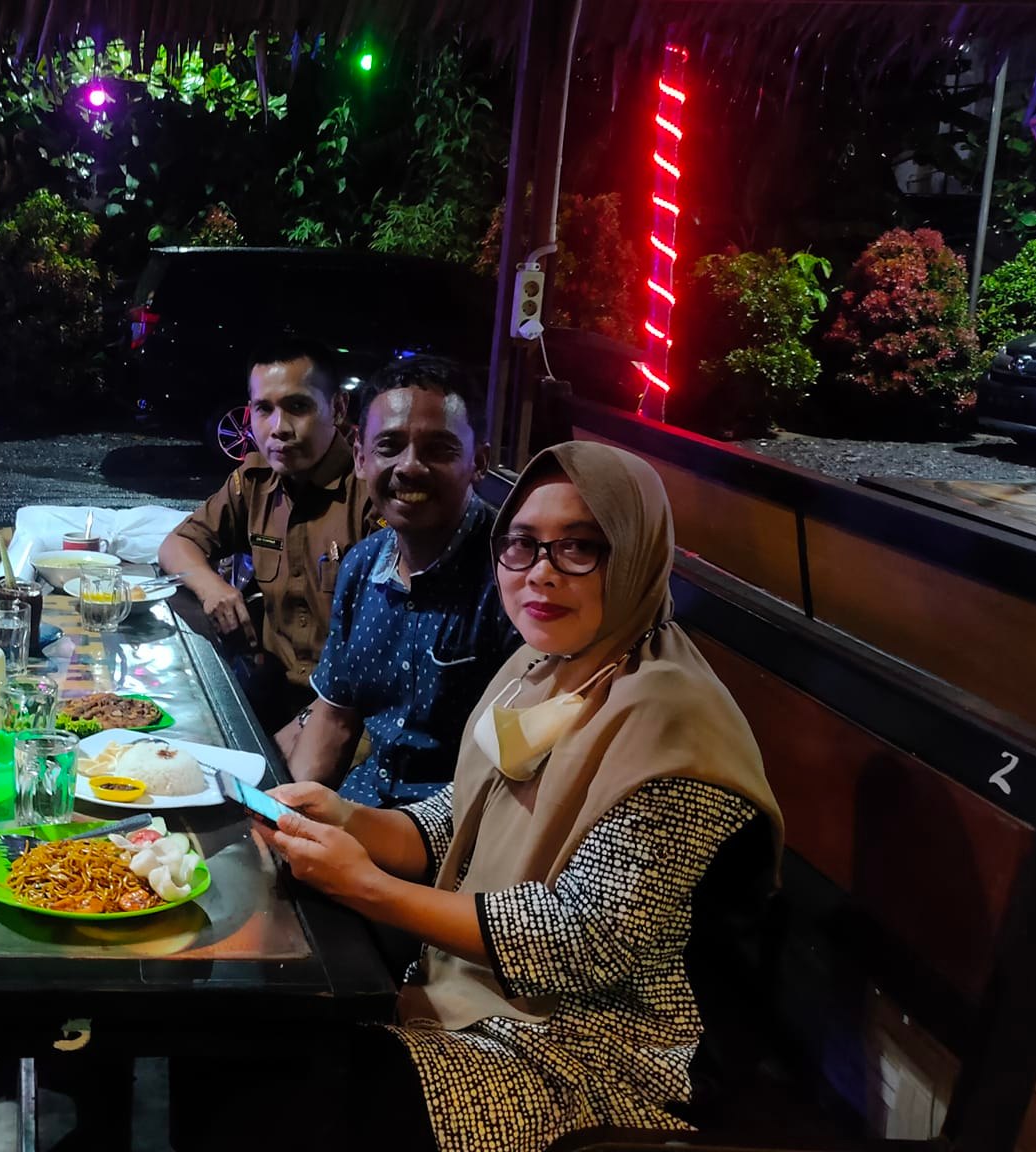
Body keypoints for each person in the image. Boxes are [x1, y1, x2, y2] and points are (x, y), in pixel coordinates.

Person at [265, 440, 784, 1151]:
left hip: (597, 1054)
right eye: (522, 544)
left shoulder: (672, 719)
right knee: (259, 1044)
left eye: (580, 547)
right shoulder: (545, 665)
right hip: (479, 998)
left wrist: (366, 887)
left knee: (288, 1094)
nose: (541, 572)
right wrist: (349, 818)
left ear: (637, 553)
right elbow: (463, 818)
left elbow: (583, 939)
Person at [284, 356, 512, 805]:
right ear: (360, 458)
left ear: (479, 462)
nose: (409, 467)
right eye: (389, 446)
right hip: (358, 807)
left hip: (457, 827)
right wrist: (280, 814)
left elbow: (517, 776)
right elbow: (335, 719)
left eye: (439, 449)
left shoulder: (513, 580)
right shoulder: (361, 565)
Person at [159, 338, 376, 740]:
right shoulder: (255, 482)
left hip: (350, 717)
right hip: (273, 697)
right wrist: (214, 589)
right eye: (264, 409)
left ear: (338, 408)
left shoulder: (369, 492)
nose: (279, 428)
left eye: (298, 406)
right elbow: (178, 544)